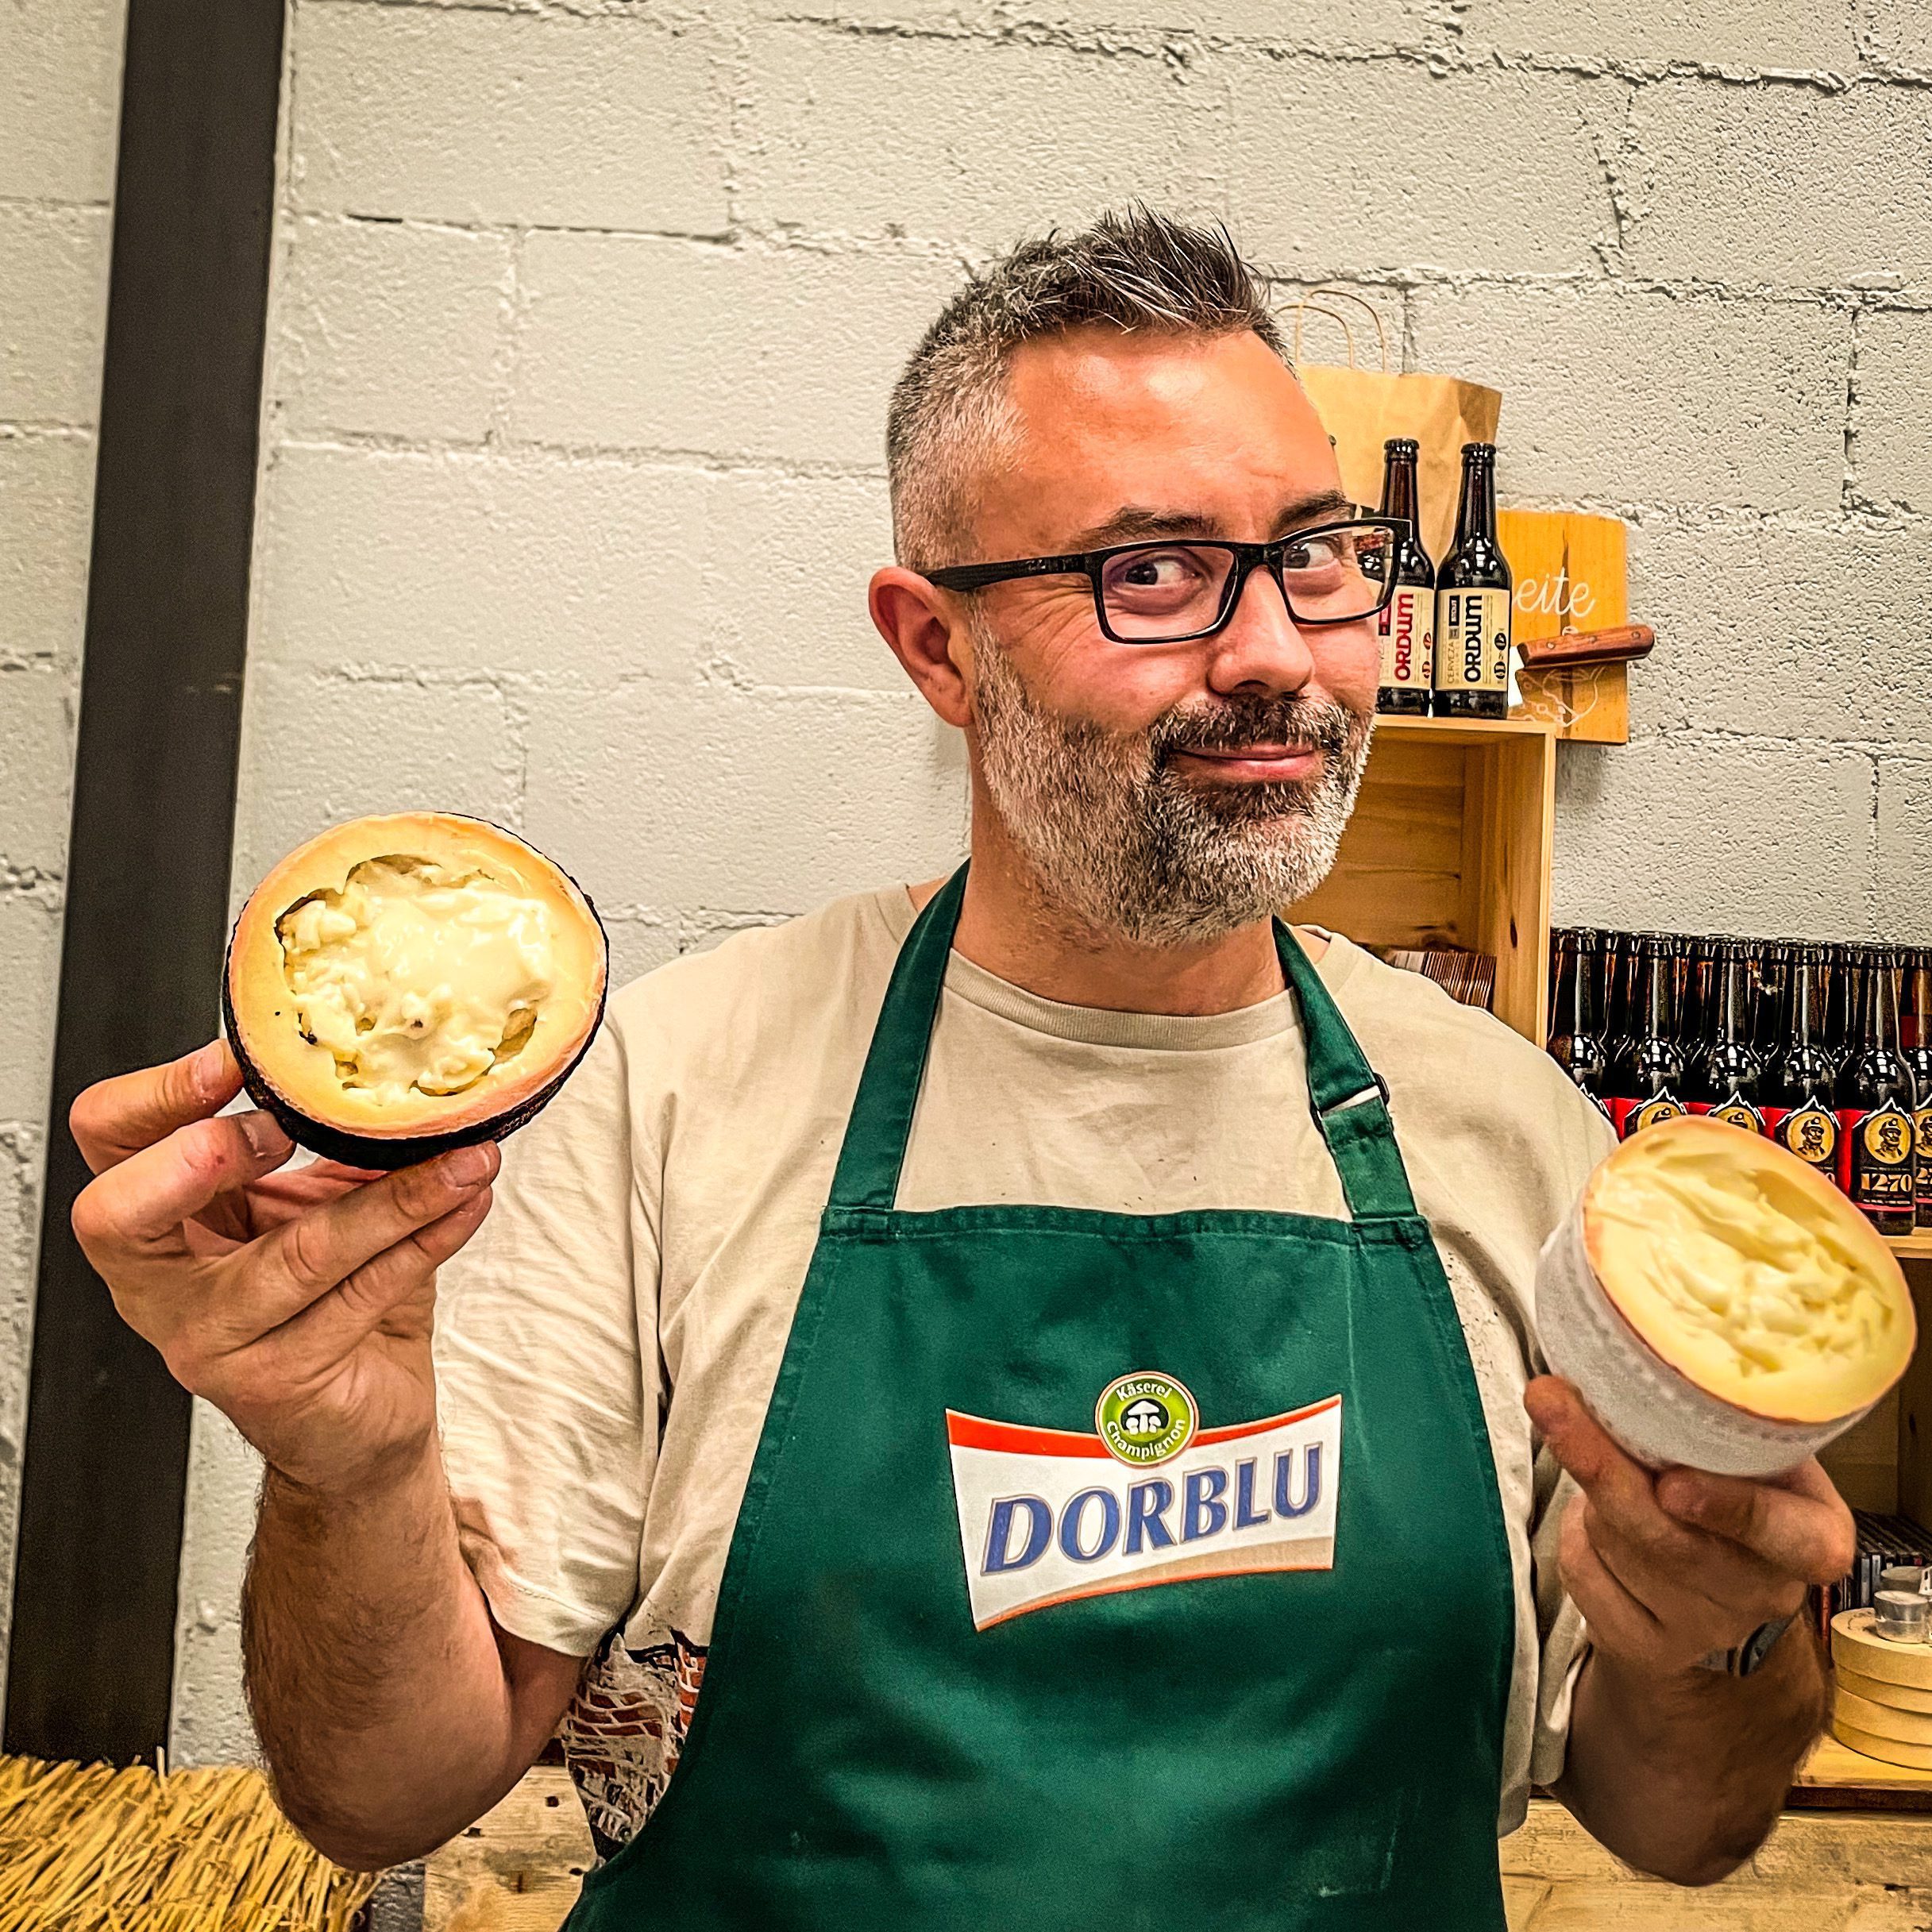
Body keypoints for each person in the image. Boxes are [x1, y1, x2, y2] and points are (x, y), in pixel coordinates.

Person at [71, 208, 1848, 1926]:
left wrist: (1729, 1634)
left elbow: (1677, 1823)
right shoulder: (675, 1093)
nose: (1272, 657)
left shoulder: (1509, 1132)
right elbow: (381, 1792)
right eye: (1148, 573)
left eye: (1314, 556)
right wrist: (347, 1470)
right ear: (935, 643)